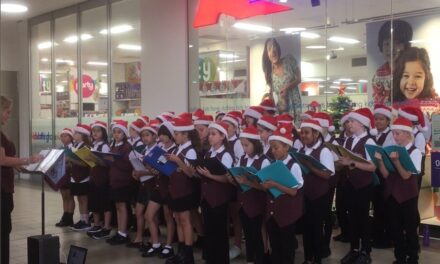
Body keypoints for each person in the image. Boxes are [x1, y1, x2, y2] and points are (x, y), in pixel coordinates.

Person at [0, 96, 43, 264]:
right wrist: (28, 160)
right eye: (7, 112)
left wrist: (29, 167)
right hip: (1, 189)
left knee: (5, 231)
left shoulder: (3, 132)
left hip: (6, 188)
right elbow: (2, 160)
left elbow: (9, 160)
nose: (8, 116)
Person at [375, 117, 422, 264]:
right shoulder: (392, 150)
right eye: (393, 133)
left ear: (408, 134)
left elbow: (406, 176)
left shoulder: (415, 152)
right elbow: (386, 175)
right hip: (391, 194)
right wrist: (380, 162)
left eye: (398, 133)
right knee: (394, 228)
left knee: (409, 228)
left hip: (408, 195)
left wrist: (396, 161)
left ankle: (413, 257)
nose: (394, 136)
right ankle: (400, 257)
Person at [338, 108, 377, 264]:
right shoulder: (348, 140)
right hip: (350, 184)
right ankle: (354, 249)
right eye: (349, 121)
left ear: (362, 123)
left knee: (363, 219)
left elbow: (373, 167)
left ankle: (365, 251)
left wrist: (353, 162)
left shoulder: (369, 141)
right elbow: (347, 162)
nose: (349, 124)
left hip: (364, 185)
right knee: (352, 218)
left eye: (352, 121)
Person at [228, 126, 270, 264]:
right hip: (243, 204)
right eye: (242, 145)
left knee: (257, 235)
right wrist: (233, 180)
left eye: (247, 145)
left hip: (257, 204)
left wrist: (248, 182)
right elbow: (240, 183)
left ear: (256, 144)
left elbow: (266, 188)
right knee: (249, 235)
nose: (244, 148)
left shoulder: (263, 161)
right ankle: (250, 259)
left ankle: (261, 259)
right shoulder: (242, 159)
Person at [264, 123, 304, 264]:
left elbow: (293, 191)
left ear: (286, 147)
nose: (273, 151)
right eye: (271, 148)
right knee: (276, 248)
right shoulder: (272, 164)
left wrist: (274, 184)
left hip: (287, 214)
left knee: (287, 249)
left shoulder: (294, 166)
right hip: (272, 213)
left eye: (276, 148)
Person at [196, 121, 235, 264]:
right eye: (209, 134)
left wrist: (210, 175)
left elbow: (227, 178)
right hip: (207, 198)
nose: (210, 137)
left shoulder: (226, 155)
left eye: (213, 134)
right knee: (210, 232)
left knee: (219, 234)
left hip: (219, 198)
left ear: (222, 136)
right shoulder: (209, 153)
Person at [298, 119, 335, 264]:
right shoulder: (302, 150)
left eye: (307, 133)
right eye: (302, 133)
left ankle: (317, 259)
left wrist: (310, 166)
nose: (304, 136)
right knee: (306, 228)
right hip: (305, 194)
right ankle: (308, 258)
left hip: (320, 195)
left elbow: (327, 174)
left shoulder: (324, 150)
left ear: (316, 134)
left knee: (317, 228)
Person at [165, 116, 200, 264]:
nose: (175, 136)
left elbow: (191, 173)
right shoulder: (179, 148)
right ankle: (180, 251)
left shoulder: (190, 151)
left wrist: (178, 161)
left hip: (185, 190)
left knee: (186, 221)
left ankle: (188, 254)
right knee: (178, 219)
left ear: (186, 134)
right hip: (175, 189)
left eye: (177, 134)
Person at [143, 122, 177, 259]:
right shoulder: (159, 148)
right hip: (159, 186)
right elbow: (158, 168)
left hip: (169, 188)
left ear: (171, 135)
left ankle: (168, 246)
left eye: (164, 135)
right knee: (148, 215)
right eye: (160, 135)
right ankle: (156, 244)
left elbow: (174, 171)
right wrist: (152, 169)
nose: (161, 137)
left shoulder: (175, 150)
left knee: (169, 217)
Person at [129, 125, 159, 249]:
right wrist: (135, 172)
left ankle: (153, 240)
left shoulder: (157, 150)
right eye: (143, 136)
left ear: (154, 136)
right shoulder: (143, 150)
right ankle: (139, 237)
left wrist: (143, 172)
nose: (145, 138)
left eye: (147, 135)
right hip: (143, 183)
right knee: (139, 211)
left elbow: (157, 171)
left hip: (152, 184)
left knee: (152, 215)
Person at [106, 120, 134, 245]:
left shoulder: (127, 147)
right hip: (114, 180)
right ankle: (119, 231)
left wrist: (114, 160)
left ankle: (123, 233)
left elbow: (128, 165)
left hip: (123, 181)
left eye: (119, 132)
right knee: (118, 207)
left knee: (122, 207)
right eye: (114, 132)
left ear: (124, 134)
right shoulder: (113, 145)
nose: (116, 135)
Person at [372, 19, 413, 105]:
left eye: (397, 43)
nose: (391, 48)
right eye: (387, 44)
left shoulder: (411, 69)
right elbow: (377, 97)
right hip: (387, 114)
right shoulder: (379, 73)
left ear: (406, 46)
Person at [262, 38, 302, 122]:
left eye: (274, 47)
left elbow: (299, 78)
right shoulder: (270, 73)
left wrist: (287, 87)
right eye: (269, 49)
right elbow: (273, 95)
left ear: (278, 49)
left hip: (295, 104)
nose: (273, 51)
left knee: (296, 128)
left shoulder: (289, 59)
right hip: (282, 108)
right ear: (267, 54)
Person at [372, 104, 394, 249]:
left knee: (386, 207)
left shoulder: (391, 135)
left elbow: (388, 155)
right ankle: (378, 236)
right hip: (375, 174)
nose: (378, 122)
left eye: (381, 119)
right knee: (377, 207)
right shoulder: (374, 135)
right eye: (376, 119)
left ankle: (388, 238)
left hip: (386, 174)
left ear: (388, 121)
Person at [87, 121, 112, 240]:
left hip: (102, 178)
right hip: (93, 177)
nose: (95, 133)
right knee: (94, 203)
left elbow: (107, 163)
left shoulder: (105, 146)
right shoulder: (93, 145)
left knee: (105, 204)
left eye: (98, 131)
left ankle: (106, 227)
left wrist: (96, 159)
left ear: (103, 132)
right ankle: (96, 224)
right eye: (93, 131)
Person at [70, 124, 92, 231]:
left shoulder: (86, 147)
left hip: (83, 177)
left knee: (84, 199)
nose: (74, 135)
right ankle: (82, 219)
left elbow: (86, 164)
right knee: (79, 199)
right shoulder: (76, 146)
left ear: (83, 135)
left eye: (76, 133)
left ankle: (86, 221)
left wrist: (71, 159)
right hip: (75, 176)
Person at [55, 128, 75, 227]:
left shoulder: (73, 148)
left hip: (70, 174)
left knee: (70, 196)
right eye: (62, 136)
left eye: (66, 136)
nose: (63, 138)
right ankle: (65, 215)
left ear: (71, 137)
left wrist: (68, 163)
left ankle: (69, 218)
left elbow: (74, 162)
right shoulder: (59, 149)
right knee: (64, 197)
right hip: (62, 174)